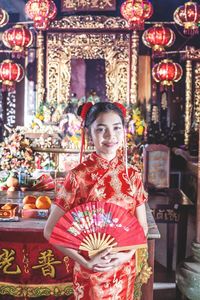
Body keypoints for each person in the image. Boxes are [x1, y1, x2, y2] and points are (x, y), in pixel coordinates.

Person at [44, 101, 148, 300]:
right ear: (89, 133)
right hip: (89, 271)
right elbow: (49, 231)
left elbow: (141, 228)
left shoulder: (132, 175)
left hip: (124, 268)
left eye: (117, 128)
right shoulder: (78, 177)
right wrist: (84, 262)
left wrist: (126, 255)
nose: (111, 136)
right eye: (101, 129)